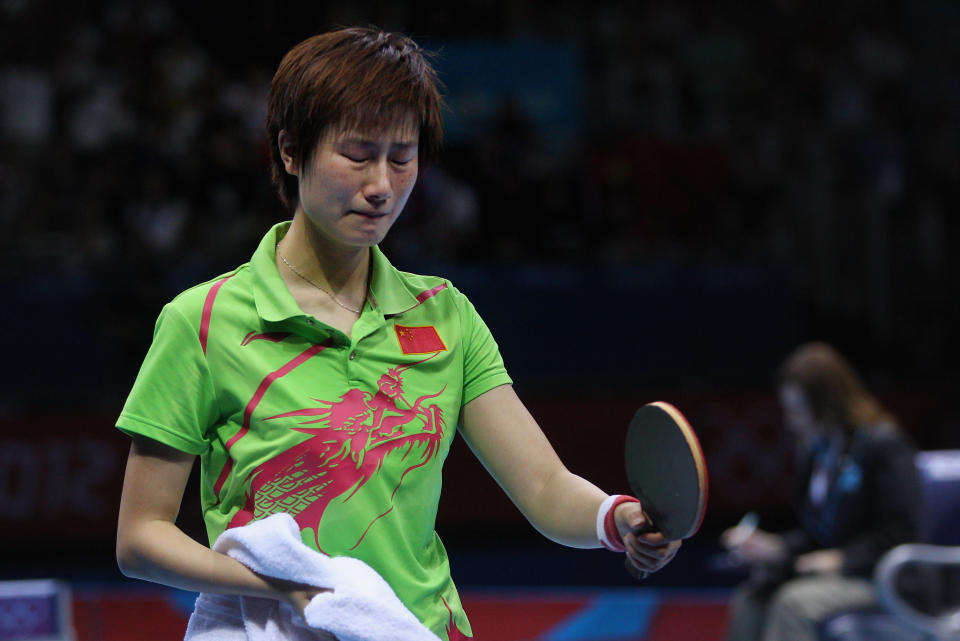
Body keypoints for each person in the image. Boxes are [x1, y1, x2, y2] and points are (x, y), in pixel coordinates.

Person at [114, 27, 681, 641]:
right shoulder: (203, 319)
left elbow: (544, 486)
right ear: (289, 152)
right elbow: (140, 539)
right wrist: (291, 586)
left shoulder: (446, 315)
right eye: (357, 155)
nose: (381, 184)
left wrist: (614, 517)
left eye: (401, 157)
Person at [721, 342, 921, 641]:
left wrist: (844, 559)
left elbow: (901, 533)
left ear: (829, 403)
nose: (792, 421)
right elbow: (819, 533)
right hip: (834, 575)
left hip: (879, 576)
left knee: (793, 603)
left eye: (799, 411)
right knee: (752, 597)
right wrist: (777, 547)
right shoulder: (818, 453)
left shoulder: (883, 446)